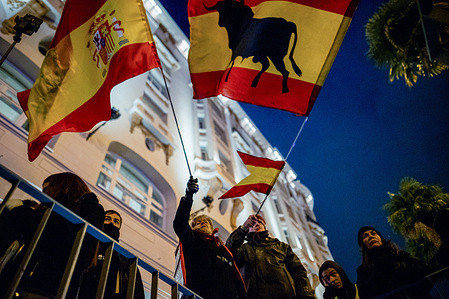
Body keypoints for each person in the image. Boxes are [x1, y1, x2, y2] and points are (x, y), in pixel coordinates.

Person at [1, 172, 105, 298]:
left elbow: (53, 234)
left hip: (46, 288)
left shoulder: (89, 207)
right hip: (25, 282)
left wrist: (18, 209)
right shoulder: (54, 214)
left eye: (47, 189)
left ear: (62, 188)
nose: (44, 195)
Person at [173, 177, 246, 299]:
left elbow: (236, 278)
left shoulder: (223, 248)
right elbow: (180, 224)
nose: (203, 223)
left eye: (206, 222)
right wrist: (188, 196)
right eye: (199, 222)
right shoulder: (192, 238)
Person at [226, 214, 315, 299]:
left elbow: (299, 271)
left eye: (260, 222)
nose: (256, 224)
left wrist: (306, 295)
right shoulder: (244, 249)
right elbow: (229, 252)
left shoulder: (281, 246)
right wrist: (243, 228)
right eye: (252, 224)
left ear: (265, 227)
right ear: (248, 229)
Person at [78, 209, 145, 298]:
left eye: (116, 221)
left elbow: (137, 290)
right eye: (107, 219)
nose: (111, 223)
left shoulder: (126, 259)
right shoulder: (90, 245)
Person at [356, 226, 432, 299]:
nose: (370, 236)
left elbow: (425, 271)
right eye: (365, 236)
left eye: (373, 233)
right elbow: (364, 294)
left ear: (380, 238)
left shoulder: (400, 256)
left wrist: (396, 266)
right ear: (363, 245)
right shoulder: (363, 270)